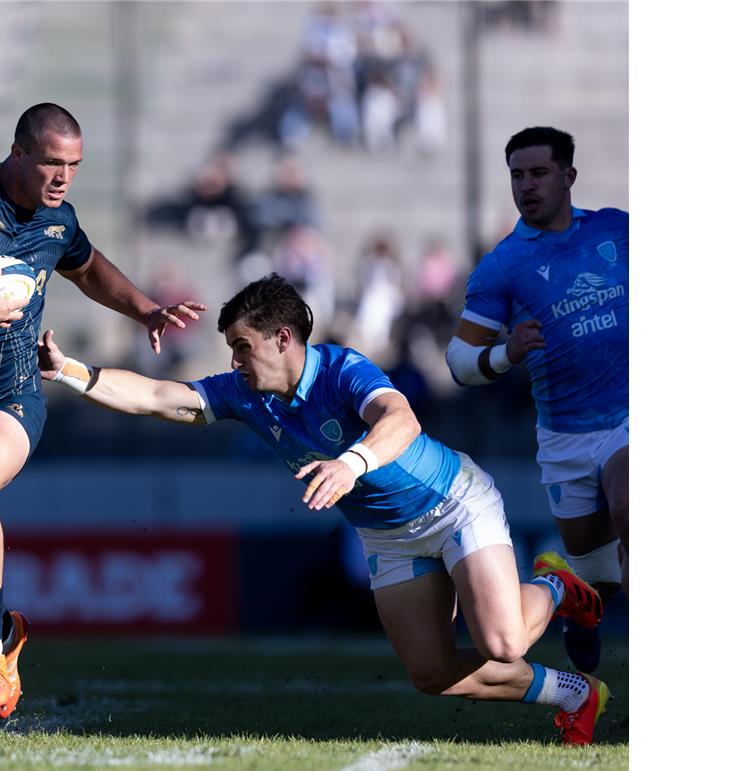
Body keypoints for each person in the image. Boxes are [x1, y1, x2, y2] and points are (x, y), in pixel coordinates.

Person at [37, 274, 610, 745]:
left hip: (454, 504)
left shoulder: (341, 368)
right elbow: (160, 397)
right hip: (388, 535)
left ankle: (558, 587)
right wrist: (69, 371)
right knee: (432, 674)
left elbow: (401, 419)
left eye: (243, 346)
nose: (235, 361)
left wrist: (350, 464)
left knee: (503, 644)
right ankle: (577, 693)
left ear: (282, 338)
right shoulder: (245, 393)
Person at [0, 103, 204, 719]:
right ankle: (2, 633)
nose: (63, 177)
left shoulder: (59, 218)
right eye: (53, 162)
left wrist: (143, 310)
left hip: (12, 391)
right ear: (19, 153)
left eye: (74, 166)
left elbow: (87, 267)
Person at [444, 127, 626, 674]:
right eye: (517, 175)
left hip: (629, 417)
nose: (527, 185)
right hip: (565, 437)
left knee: (633, 504)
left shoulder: (619, 229)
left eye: (539, 173)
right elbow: (457, 360)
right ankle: (578, 602)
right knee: (600, 579)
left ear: (568, 176)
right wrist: (505, 354)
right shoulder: (504, 266)